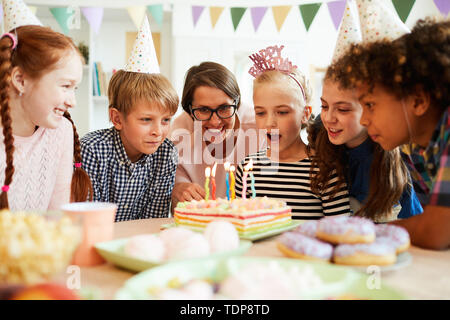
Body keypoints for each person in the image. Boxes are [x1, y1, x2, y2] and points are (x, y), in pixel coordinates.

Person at [330, 18, 449, 249]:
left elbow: (436, 231)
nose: (364, 119)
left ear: (418, 100)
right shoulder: (412, 149)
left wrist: (370, 231)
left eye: (371, 105)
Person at [234, 45, 351, 219]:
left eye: (282, 112)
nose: (269, 122)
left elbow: (339, 231)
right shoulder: (246, 169)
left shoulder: (325, 171)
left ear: (305, 114)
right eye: (260, 112)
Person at [307, 73, 423, 223]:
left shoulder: (393, 155)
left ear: (370, 110)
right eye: (324, 106)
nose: (329, 118)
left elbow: (414, 223)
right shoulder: (320, 137)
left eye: (342, 109)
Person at [0, 25, 92, 211]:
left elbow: (57, 215)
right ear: (20, 80)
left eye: (75, 88)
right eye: (66, 85)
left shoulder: (61, 132)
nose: (72, 102)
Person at [81, 70, 179, 221]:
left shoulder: (166, 153)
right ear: (117, 119)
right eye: (146, 119)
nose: (158, 131)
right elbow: (89, 221)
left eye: (166, 120)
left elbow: (152, 222)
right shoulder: (92, 150)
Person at [169, 62, 264, 208]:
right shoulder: (177, 135)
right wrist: (176, 189)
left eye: (224, 108)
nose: (215, 121)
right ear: (190, 110)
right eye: (204, 110)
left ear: (236, 102)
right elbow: (177, 206)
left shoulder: (260, 127)